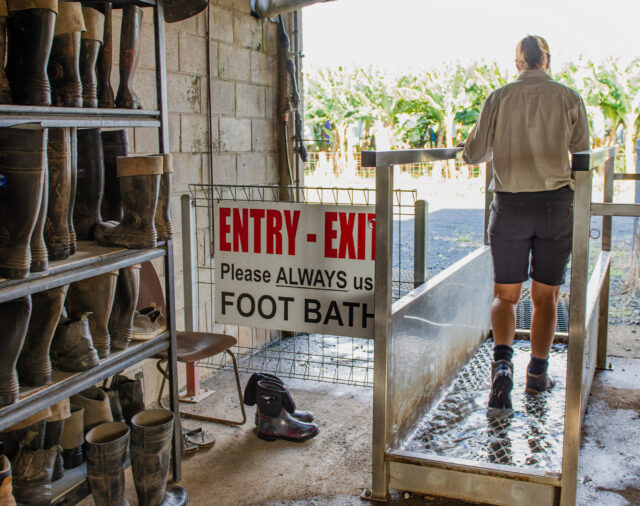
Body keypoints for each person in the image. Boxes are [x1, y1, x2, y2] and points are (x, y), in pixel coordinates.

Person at [463, 35, 590, 409]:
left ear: (518, 63)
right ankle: (537, 375)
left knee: (505, 296)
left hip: (510, 205)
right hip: (554, 205)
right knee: (545, 297)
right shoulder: (569, 97)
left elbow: (473, 154)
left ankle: (502, 369)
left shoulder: (499, 97)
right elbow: (581, 154)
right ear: (546, 61)